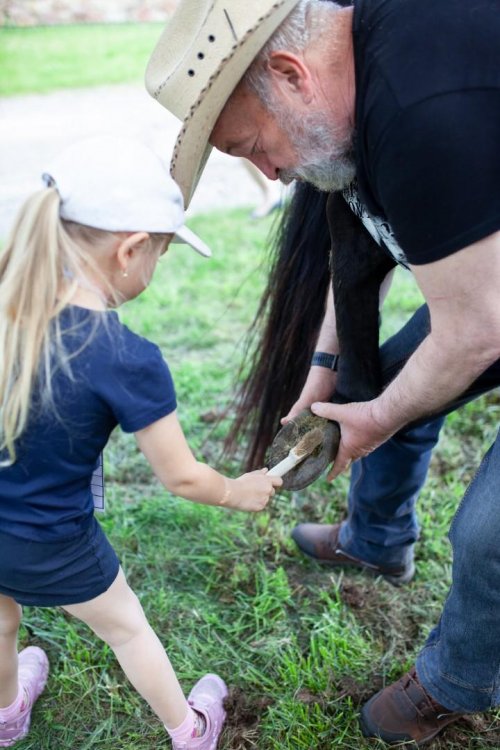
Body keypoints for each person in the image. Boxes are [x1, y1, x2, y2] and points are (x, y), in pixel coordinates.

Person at [145, 0, 500, 745]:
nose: (269, 175)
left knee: (488, 531)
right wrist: (326, 372)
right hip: (488, 288)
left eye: (251, 146)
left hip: (486, 307)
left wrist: (378, 416)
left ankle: (455, 681)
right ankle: (378, 539)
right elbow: (359, 243)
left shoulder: (420, 108)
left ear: (288, 73)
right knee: (393, 386)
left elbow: (475, 334)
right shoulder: (350, 100)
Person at [0, 134, 282, 749]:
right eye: (161, 253)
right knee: (127, 629)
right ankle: (189, 730)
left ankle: (6, 715)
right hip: (57, 544)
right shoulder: (125, 358)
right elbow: (181, 476)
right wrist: (238, 490)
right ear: (130, 251)